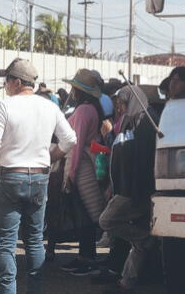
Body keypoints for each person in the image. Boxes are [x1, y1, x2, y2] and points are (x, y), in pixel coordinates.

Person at [0, 58, 77, 294]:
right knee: (34, 241)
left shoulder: (4, 106)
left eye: (6, 81)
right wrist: (51, 158)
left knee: (5, 242)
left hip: (9, 177)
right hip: (39, 178)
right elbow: (70, 140)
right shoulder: (50, 107)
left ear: (16, 82)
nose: (5, 85)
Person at [99, 85, 160, 293]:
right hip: (126, 186)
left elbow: (142, 160)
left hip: (136, 189)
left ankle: (143, 237)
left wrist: (135, 191)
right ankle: (128, 280)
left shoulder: (146, 121)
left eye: (123, 103)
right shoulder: (130, 120)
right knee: (138, 243)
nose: (120, 108)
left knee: (107, 221)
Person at [60, 69, 107, 276]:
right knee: (86, 213)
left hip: (80, 167)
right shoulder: (92, 109)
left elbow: (76, 146)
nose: (72, 91)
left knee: (84, 214)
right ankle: (85, 257)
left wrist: (70, 175)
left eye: (75, 87)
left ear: (80, 91)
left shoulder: (82, 111)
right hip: (86, 163)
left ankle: (87, 259)